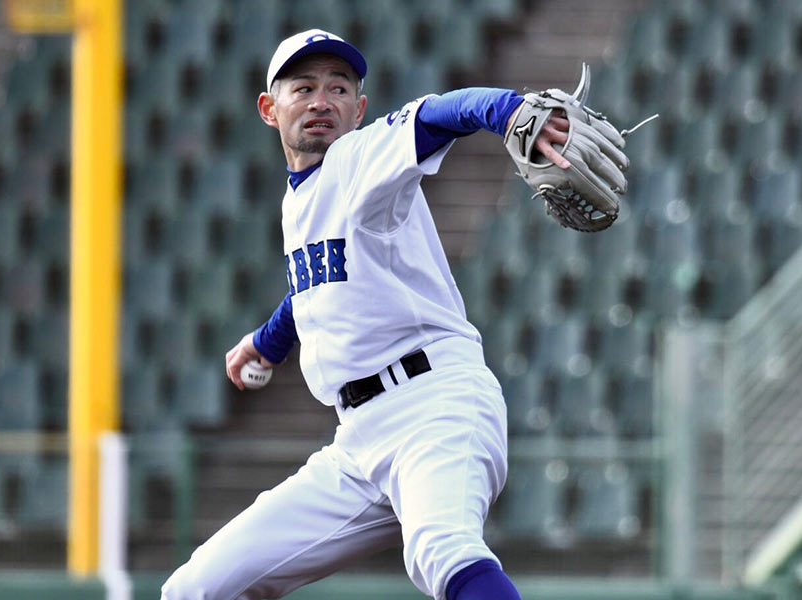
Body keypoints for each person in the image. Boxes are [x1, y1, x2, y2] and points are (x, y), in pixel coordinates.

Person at [161, 29, 571, 600]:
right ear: (268, 109)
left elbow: (437, 114)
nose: (321, 101)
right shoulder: (301, 196)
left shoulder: (358, 158)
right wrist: (270, 340)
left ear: (359, 109)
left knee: (442, 550)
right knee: (196, 588)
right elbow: (322, 284)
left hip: (436, 404)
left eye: (338, 87)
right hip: (358, 441)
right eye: (303, 88)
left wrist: (507, 110)